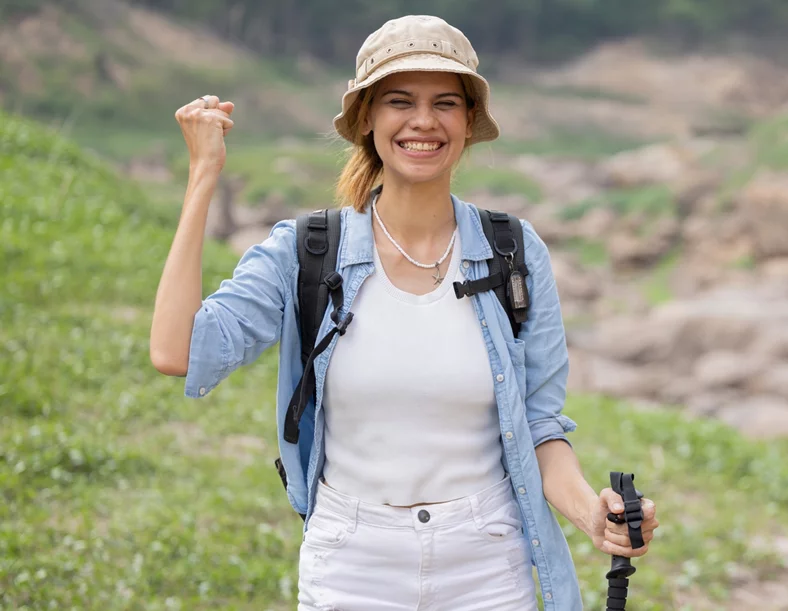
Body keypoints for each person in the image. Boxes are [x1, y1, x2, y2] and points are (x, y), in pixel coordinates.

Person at [149, 14, 659, 611]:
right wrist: (202, 176)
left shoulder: (513, 250)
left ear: (469, 122)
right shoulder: (306, 250)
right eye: (400, 101)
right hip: (352, 563)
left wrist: (591, 515)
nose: (424, 121)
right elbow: (177, 351)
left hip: (488, 564)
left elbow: (541, 425)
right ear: (367, 118)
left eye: (446, 102)